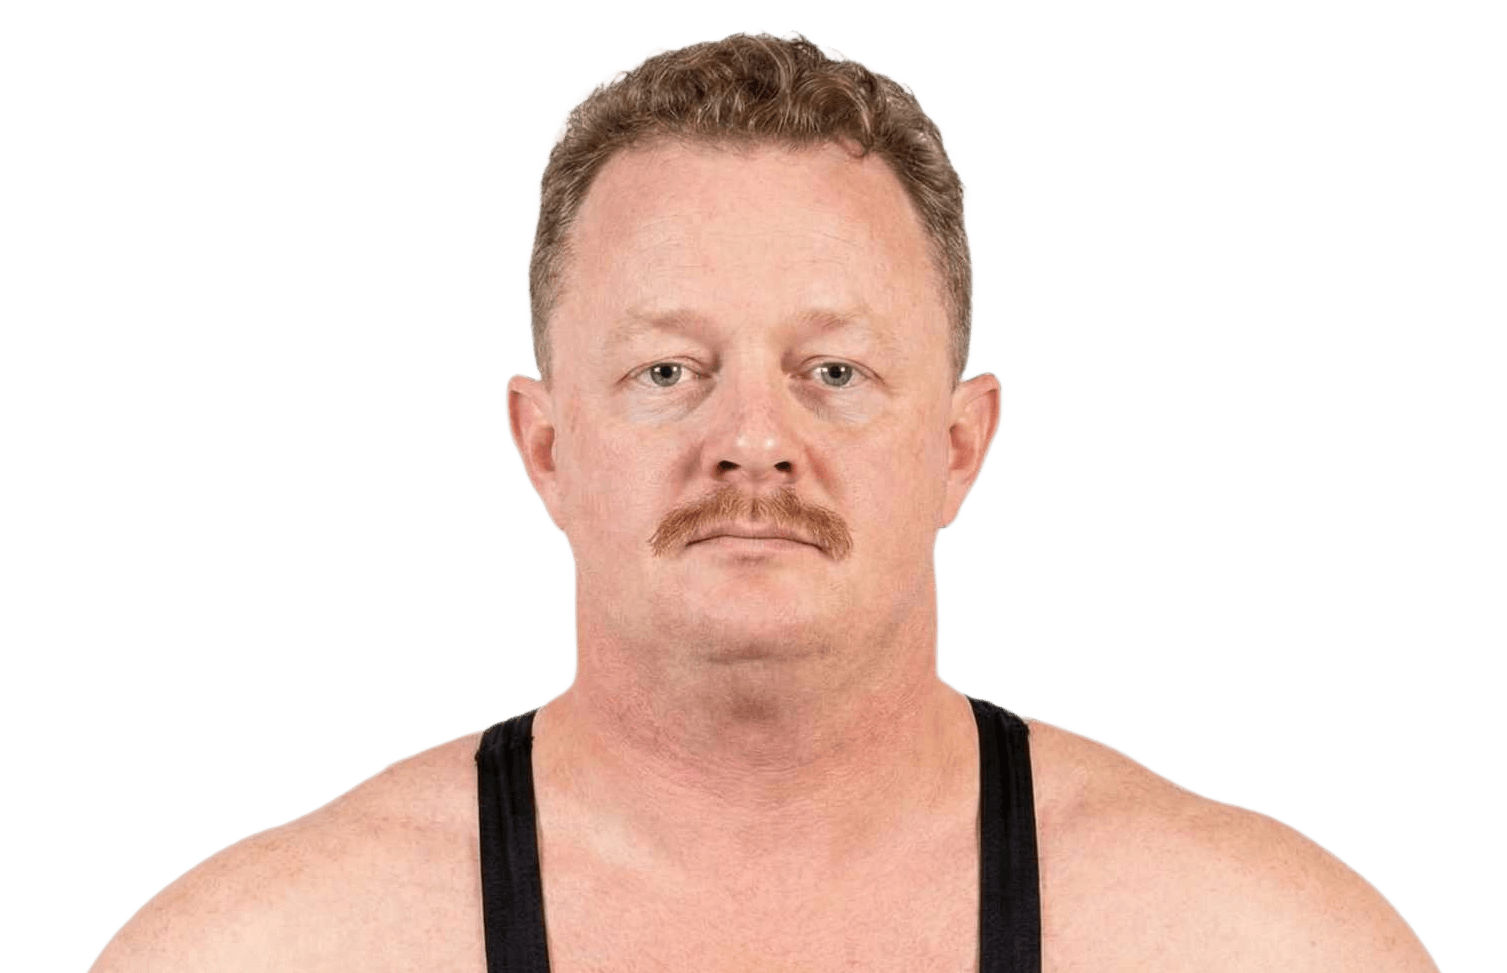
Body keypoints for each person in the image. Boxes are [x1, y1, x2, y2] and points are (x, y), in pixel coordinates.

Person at [88, 27, 1442, 972]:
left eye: (833, 372)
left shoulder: (1260, 945)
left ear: (959, 445)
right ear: (545, 446)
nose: (751, 443)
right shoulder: (259, 950)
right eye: (668, 371)